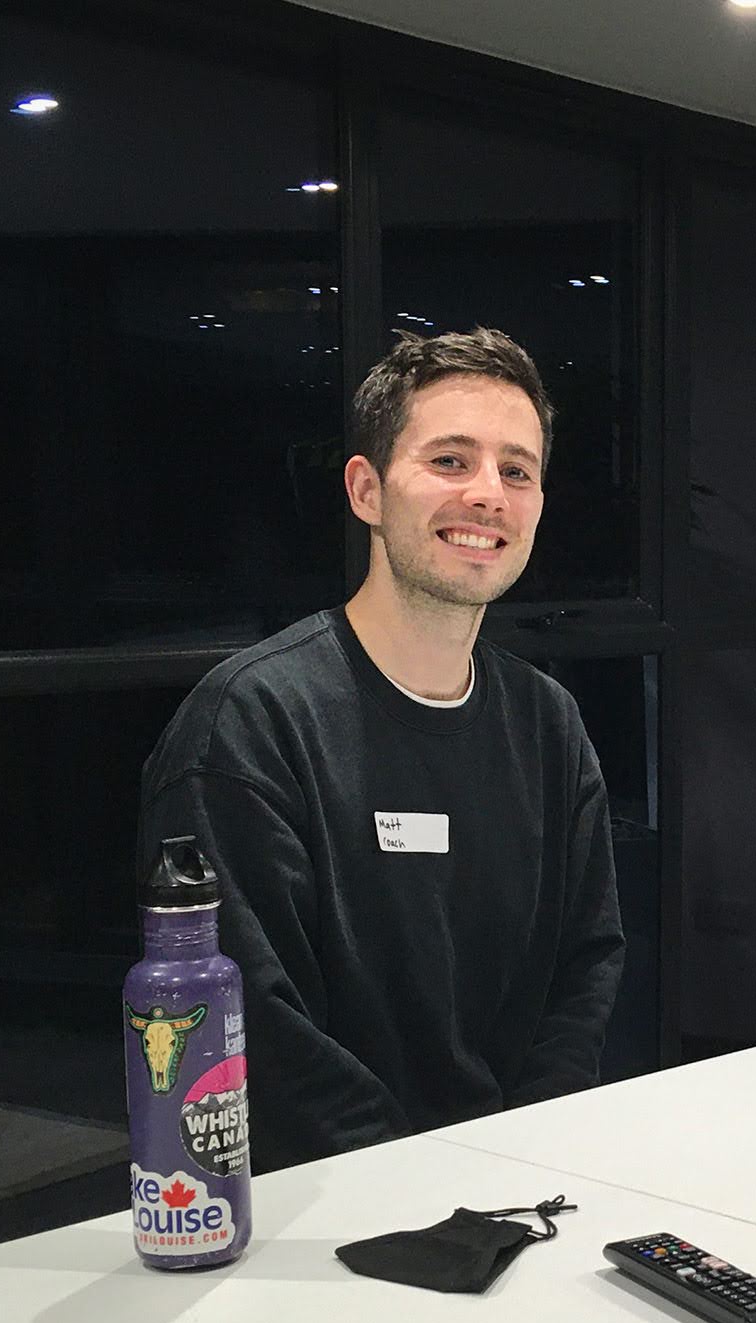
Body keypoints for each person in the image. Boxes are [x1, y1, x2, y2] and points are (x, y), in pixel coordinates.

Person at [139, 329, 625, 1168]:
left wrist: (529, 1155)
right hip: (324, 1210)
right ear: (365, 490)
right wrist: (409, 1186)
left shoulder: (548, 726)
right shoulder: (250, 726)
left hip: (516, 1191)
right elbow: (250, 1022)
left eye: (517, 470)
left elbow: (585, 971)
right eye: (449, 461)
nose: (488, 496)